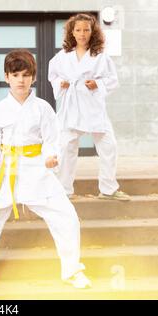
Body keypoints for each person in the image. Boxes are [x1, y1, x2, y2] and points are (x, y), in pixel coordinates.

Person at [0, 49, 91, 291]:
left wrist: (51, 156)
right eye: (15, 74)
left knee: (66, 217)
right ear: (7, 77)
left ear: (33, 77)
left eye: (25, 74)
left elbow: (53, 139)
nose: (21, 80)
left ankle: (72, 271)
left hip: (36, 169)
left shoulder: (43, 108)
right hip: (5, 169)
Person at [48, 13, 130, 201]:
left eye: (86, 29)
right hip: (72, 106)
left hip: (93, 105)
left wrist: (98, 85)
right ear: (72, 32)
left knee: (109, 146)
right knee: (67, 147)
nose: (82, 33)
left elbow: (112, 80)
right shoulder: (63, 56)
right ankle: (64, 191)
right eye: (78, 30)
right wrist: (61, 83)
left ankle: (108, 189)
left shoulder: (100, 56)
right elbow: (53, 75)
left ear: (93, 32)